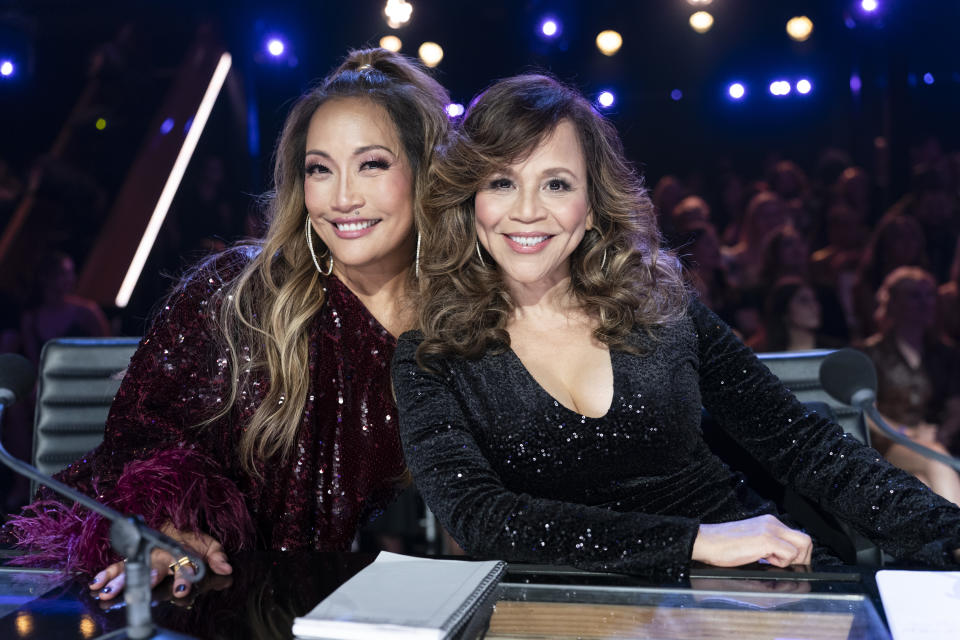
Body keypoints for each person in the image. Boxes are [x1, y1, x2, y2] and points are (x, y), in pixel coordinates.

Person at [392, 74, 960, 580]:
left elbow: (803, 445)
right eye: (501, 182)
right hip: (569, 603)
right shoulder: (431, 353)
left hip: (757, 580)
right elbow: (479, 516)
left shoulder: (662, 308)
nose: (527, 211)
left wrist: (949, 532)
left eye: (557, 184)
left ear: (591, 207)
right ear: (470, 201)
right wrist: (695, 543)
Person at [3, 48, 450, 599]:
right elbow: (136, 447)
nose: (342, 198)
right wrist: (160, 523)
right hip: (178, 578)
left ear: (426, 174)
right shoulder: (232, 294)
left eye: (372, 164)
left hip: (307, 597)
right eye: (319, 169)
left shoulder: (455, 320)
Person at [858, 267, 960, 503]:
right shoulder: (870, 353)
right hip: (889, 442)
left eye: (929, 295)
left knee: (923, 484)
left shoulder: (946, 352)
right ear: (893, 302)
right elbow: (867, 414)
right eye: (914, 296)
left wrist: (941, 433)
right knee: (935, 458)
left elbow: (956, 407)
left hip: (935, 440)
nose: (924, 303)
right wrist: (907, 433)